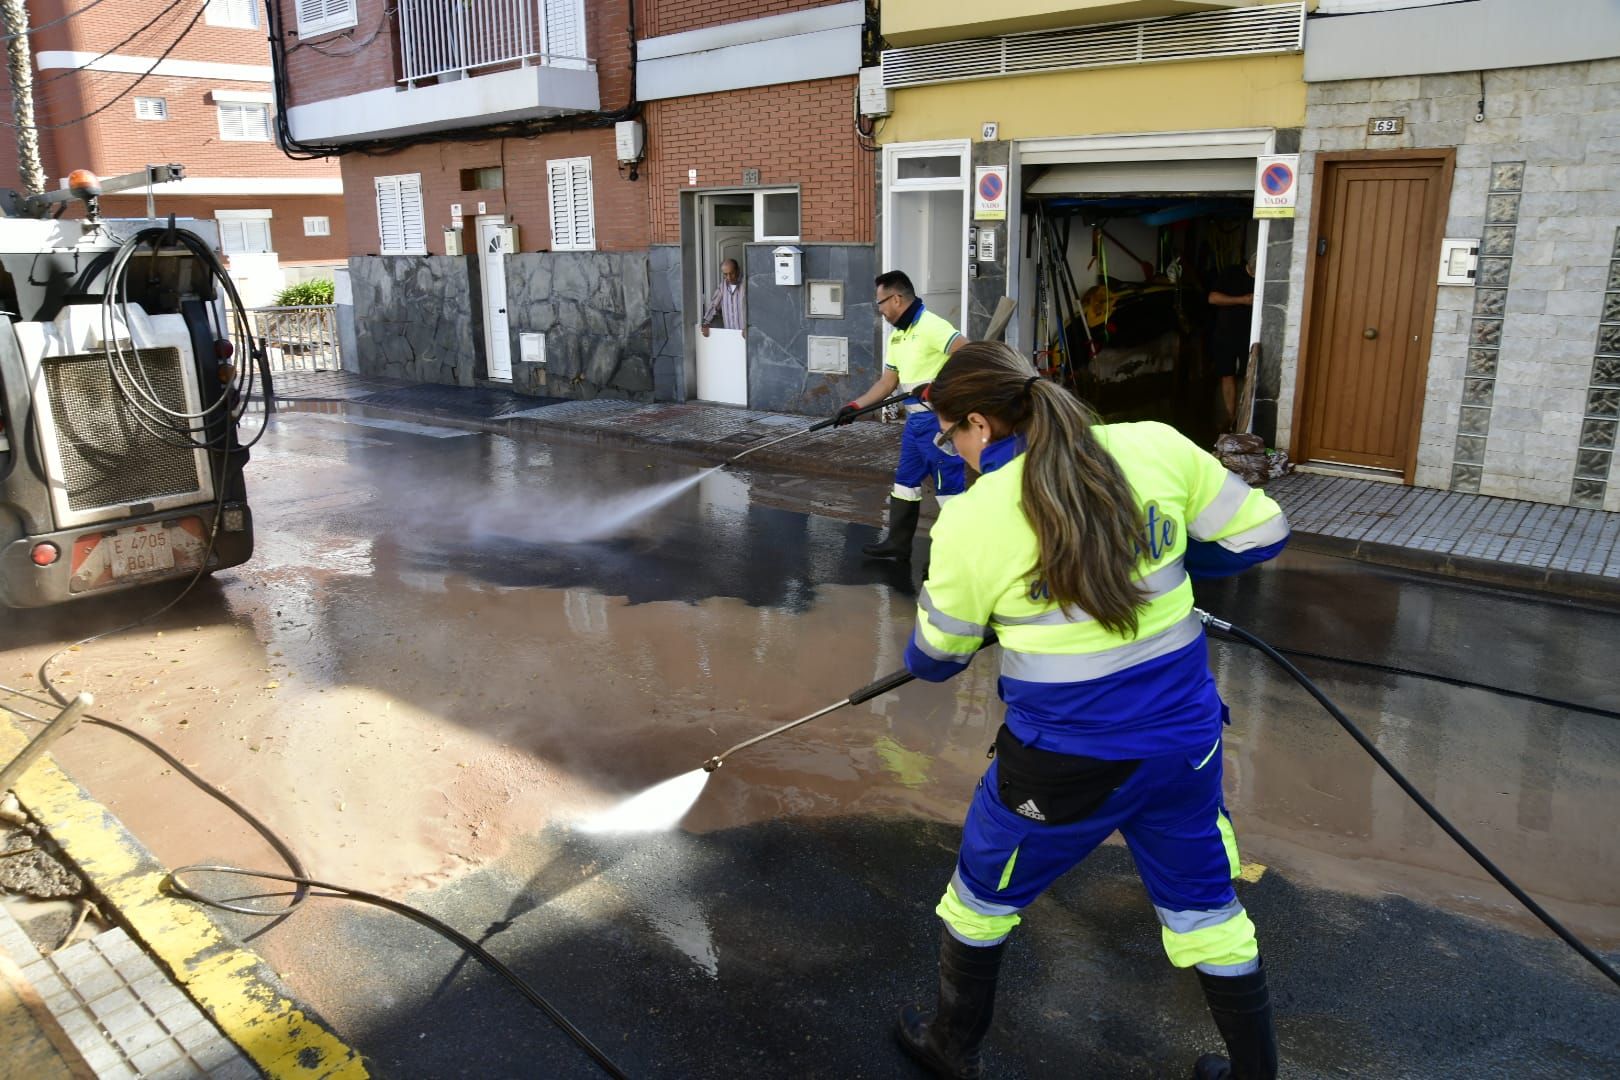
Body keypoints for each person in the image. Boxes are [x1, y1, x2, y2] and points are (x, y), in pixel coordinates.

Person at [895, 342, 1290, 1080]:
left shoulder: (975, 519)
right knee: (1205, 910)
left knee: (979, 902)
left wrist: (989, 621)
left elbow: (936, 659)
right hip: (1186, 748)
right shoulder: (1155, 445)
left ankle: (951, 1047)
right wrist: (1151, 560)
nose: (954, 449)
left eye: (951, 435)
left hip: (1065, 768)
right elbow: (1261, 532)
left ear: (978, 423)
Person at [834, 270, 966, 559]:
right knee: (905, 483)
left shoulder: (931, 325)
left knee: (949, 490)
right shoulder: (898, 337)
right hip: (915, 422)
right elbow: (888, 382)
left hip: (939, 422)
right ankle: (898, 544)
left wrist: (939, 386)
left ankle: (955, 558)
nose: (879, 309)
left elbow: (967, 353)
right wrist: (855, 407)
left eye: (880, 303)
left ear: (896, 299)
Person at [1208, 255, 1255, 428]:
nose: (1254, 278)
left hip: (1251, 336)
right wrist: (1243, 300)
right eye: (1252, 274)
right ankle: (1230, 417)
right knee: (1227, 374)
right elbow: (1212, 298)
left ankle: (1245, 418)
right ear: (1249, 267)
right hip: (1225, 333)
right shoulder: (1231, 273)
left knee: (1248, 375)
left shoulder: (1264, 277)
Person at [701, 259, 746, 337]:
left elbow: (756, 309)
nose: (729, 277)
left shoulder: (746, 284)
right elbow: (714, 305)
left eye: (732, 273)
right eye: (725, 274)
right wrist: (706, 323)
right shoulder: (723, 286)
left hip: (745, 336)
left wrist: (750, 328)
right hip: (729, 335)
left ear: (738, 270)